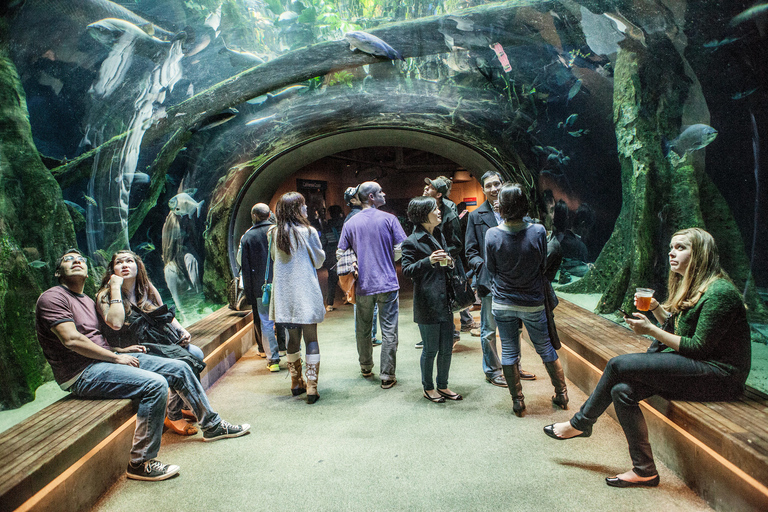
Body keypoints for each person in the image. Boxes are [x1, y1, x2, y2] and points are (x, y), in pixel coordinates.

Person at [544, 228, 751, 488]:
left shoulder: (719, 292)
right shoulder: (694, 286)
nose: (671, 253)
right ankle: (645, 470)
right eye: (671, 247)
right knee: (622, 391)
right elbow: (681, 332)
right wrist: (656, 310)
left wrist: (651, 330)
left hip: (720, 376)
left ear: (700, 253)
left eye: (681, 248)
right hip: (699, 366)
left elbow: (698, 347)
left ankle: (581, 423)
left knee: (618, 364)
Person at [37, 249, 249, 481]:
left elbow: (97, 337)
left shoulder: (85, 300)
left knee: (179, 367)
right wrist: (115, 357)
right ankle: (140, 462)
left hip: (106, 359)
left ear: (88, 273)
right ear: (58, 272)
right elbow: (72, 340)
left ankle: (212, 425)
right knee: (155, 384)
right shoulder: (53, 297)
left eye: (80, 259)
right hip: (82, 373)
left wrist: (118, 350)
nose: (76, 261)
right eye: (69, 259)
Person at [96, 250, 204, 436]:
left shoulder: (146, 288)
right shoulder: (105, 296)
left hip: (157, 342)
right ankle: (173, 414)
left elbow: (164, 315)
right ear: (112, 269)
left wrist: (181, 330)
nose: (124, 265)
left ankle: (182, 405)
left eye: (129, 261)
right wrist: (115, 288)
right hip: (132, 349)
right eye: (119, 262)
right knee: (183, 362)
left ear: (138, 266)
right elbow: (112, 326)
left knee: (195, 353)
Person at [485, 184, 568, 416]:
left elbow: (491, 268)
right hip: (532, 301)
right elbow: (542, 263)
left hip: (503, 302)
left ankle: (518, 401)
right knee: (545, 348)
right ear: (524, 205)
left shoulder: (492, 234)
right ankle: (562, 394)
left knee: (509, 351)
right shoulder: (539, 231)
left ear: (502, 206)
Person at [465, 171, 536, 388]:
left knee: (515, 328)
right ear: (483, 189)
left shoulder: (521, 215)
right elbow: (470, 251)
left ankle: (514, 367)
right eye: (489, 186)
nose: (494, 189)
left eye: (497, 184)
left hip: (515, 280)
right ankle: (493, 371)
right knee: (488, 329)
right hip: (490, 282)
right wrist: (482, 266)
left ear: (502, 185)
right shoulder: (476, 216)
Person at [338, 181, 407, 389]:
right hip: (387, 282)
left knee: (363, 328)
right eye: (380, 192)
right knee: (389, 330)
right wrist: (389, 257)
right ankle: (387, 374)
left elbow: (341, 253)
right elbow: (402, 247)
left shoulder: (350, 223)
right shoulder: (390, 219)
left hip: (363, 284)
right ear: (371, 197)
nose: (384, 194)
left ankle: (366, 366)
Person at [402, 196, 463, 403]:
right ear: (423, 216)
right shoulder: (411, 241)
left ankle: (443, 385)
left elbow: (445, 263)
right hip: (427, 302)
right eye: (434, 209)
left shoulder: (438, 235)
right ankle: (428, 387)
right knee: (430, 349)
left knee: (447, 347)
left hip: (444, 299)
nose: (439, 212)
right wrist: (428, 261)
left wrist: (449, 262)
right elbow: (407, 270)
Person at [269, 192, 326, 404]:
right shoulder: (309, 232)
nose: (306, 209)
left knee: (293, 340)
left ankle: (296, 382)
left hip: (286, 296)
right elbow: (319, 261)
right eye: (303, 206)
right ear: (296, 209)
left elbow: (275, 258)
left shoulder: (274, 233)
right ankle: (312, 386)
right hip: (306, 293)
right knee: (311, 339)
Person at [238, 203, 281, 372]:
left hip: (260, 287)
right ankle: (293, 354)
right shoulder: (278, 231)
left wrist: (249, 293)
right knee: (286, 319)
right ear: (269, 214)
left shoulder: (248, 237)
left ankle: (273, 360)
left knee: (266, 322)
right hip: (281, 283)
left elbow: (245, 267)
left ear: (254, 216)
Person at [322, 205, 344, 312]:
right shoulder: (345, 223)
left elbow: (323, 242)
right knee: (350, 276)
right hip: (345, 252)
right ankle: (352, 297)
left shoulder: (327, 227)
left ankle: (330, 303)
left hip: (332, 254)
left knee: (332, 278)